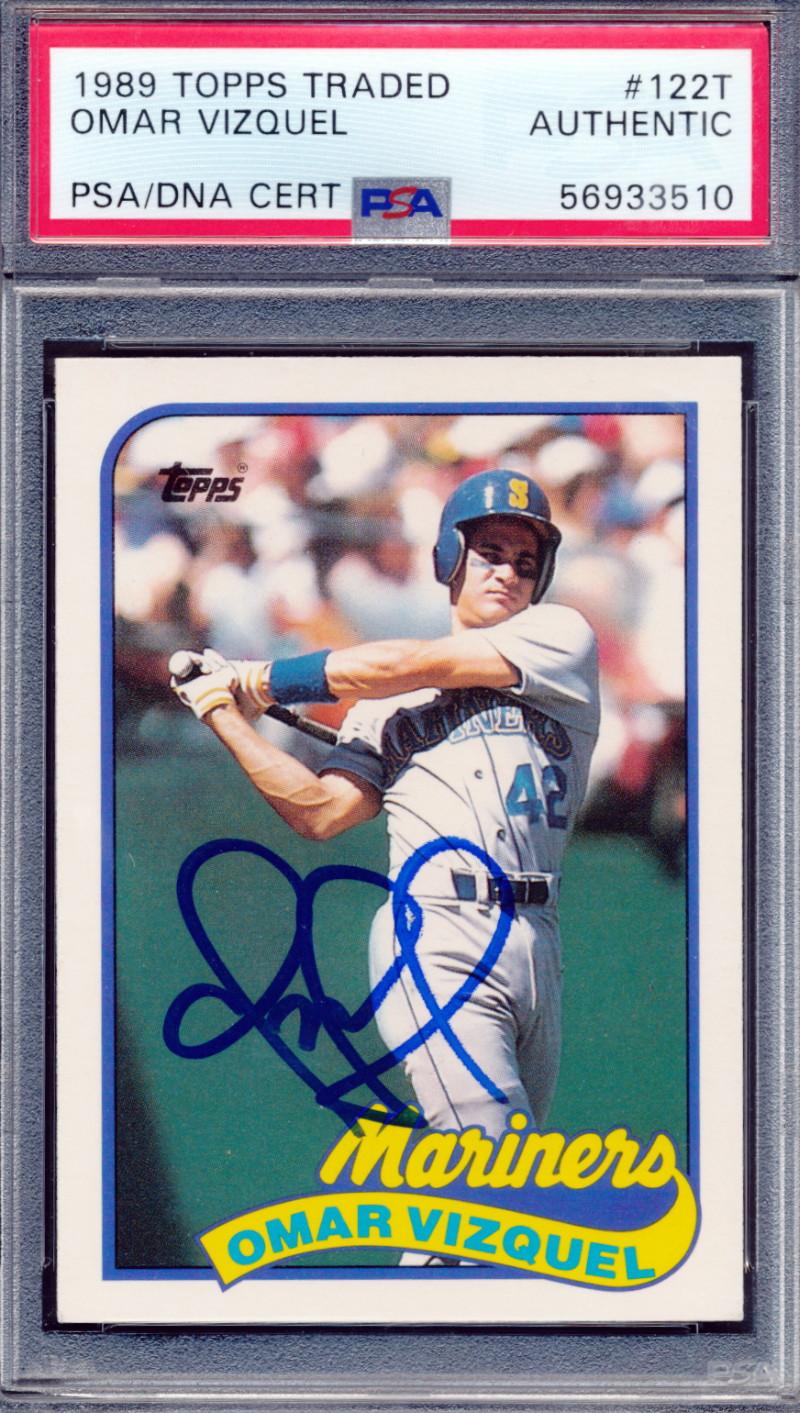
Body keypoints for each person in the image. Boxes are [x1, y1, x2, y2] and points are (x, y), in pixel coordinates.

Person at [170, 469, 600, 1149]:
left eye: (526, 561)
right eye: (489, 553)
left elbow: (416, 662)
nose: (508, 573)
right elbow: (322, 811)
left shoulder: (560, 640)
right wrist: (221, 710)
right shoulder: (385, 706)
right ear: (450, 558)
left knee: (487, 1187)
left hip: (539, 936)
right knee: (499, 1159)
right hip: (438, 930)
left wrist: (259, 678)